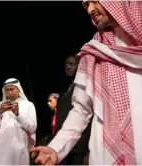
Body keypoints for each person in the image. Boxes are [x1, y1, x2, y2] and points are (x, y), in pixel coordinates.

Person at [31, 1, 142, 165]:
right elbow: (81, 110)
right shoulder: (93, 54)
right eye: (86, 5)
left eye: (94, 1)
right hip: (108, 156)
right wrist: (56, 147)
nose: (89, 9)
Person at [0, 78, 37, 165]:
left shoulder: (28, 105)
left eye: (12, 89)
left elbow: (32, 128)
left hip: (19, 149)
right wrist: (0, 112)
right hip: (0, 150)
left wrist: (18, 114)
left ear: (18, 89)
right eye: (7, 90)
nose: (10, 92)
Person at [54, 55, 91, 165]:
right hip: (64, 145)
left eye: (72, 64)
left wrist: (89, 150)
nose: (68, 67)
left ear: (80, 66)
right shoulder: (66, 89)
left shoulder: (85, 87)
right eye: (67, 64)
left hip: (79, 146)